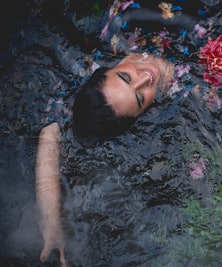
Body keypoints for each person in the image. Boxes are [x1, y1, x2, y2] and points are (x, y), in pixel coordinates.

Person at [35, 52, 175, 266]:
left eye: (126, 78)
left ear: (108, 69)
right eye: (139, 98)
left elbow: (48, 136)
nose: (145, 78)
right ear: (143, 113)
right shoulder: (183, 93)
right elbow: (49, 150)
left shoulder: (109, 46)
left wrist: (50, 220)